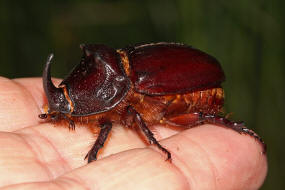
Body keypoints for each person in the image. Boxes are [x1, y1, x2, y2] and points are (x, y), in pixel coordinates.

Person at [0, 77, 267, 190]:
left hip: (187, 93)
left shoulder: (124, 97)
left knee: (203, 117)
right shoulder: (111, 89)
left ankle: (240, 131)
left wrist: (153, 143)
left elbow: (121, 119)